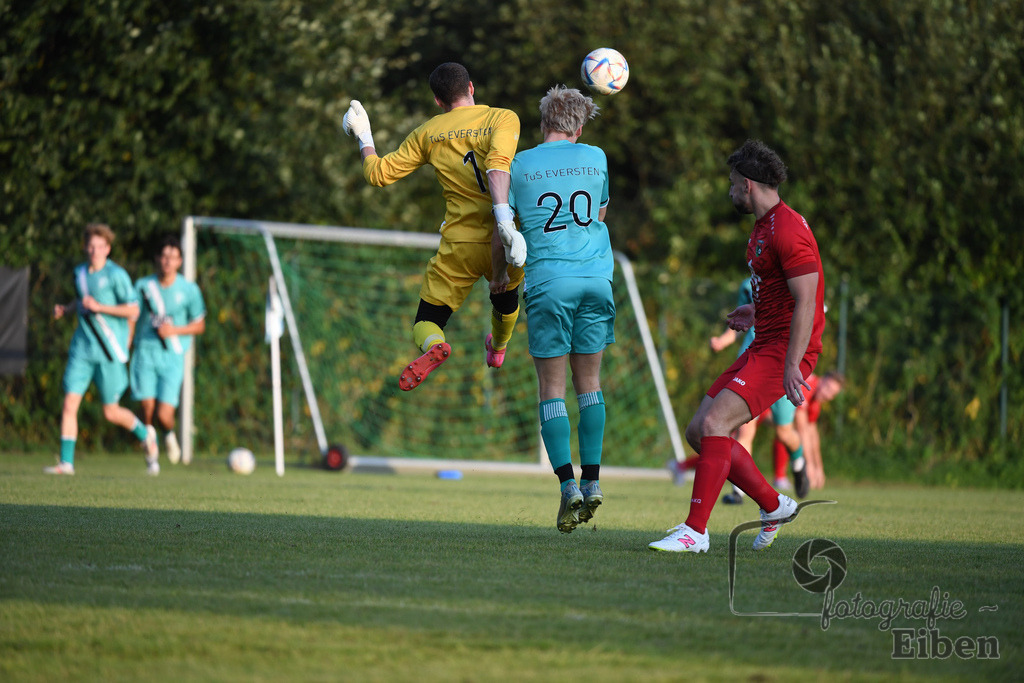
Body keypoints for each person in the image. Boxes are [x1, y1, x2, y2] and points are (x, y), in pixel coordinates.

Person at [649, 139, 825, 553]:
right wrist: (754, 311)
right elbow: (782, 294)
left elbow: (807, 300)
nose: (728, 191)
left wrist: (791, 366)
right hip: (765, 340)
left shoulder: (789, 229)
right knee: (699, 431)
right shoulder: (764, 226)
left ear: (747, 184)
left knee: (716, 426)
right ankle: (773, 504)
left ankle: (695, 531)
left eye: (731, 183)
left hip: (784, 350)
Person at [342, 62, 526, 391]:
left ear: (438, 102)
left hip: (460, 244)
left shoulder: (428, 132)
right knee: (505, 296)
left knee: (427, 320)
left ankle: (433, 347)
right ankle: (497, 349)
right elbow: (499, 165)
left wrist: (363, 135)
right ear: (471, 88)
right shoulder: (503, 118)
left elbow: (377, 174)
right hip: (505, 234)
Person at [492, 85, 613, 534]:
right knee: (591, 385)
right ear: (578, 128)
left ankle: (568, 487)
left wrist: (499, 278)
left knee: (552, 389)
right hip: (597, 280)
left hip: (548, 282)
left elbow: (502, 231)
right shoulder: (597, 156)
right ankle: (594, 480)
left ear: (543, 123)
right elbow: (599, 215)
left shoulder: (518, 164)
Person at [668, 279, 810, 502]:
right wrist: (722, 341)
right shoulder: (749, 284)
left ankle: (798, 463)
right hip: (752, 361)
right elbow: (742, 322)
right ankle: (739, 492)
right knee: (742, 430)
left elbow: (808, 315)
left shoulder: (796, 278)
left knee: (784, 432)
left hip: (782, 363)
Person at [47, 223, 159, 475]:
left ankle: (146, 436)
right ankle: (66, 464)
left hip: (109, 350)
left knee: (110, 412)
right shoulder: (80, 273)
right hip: (82, 348)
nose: (94, 250)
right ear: (85, 247)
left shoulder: (117, 275)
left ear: (107, 249)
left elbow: (133, 309)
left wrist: (101, 308)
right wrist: (66, 309)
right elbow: (82, 299)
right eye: (90, 246)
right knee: (69, 403)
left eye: (100, 246)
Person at [129, 234, 207, 466]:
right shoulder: (144, 286)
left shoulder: (189, 290)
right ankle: (151, 452)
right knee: (146, 406)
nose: (167, 262)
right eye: (164, 256)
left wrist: (174, 331)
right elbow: (132, 314)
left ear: (180, 261)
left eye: (173, 257)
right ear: (157, 259)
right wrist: (128, 338)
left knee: (164, 415)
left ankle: (168, 435)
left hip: (172, 355)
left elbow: (200, 325)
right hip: (145, 351)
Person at [793, 371, 844, 489]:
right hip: (764, 405)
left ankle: (780, 477)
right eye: (828, 389)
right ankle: (781, 477)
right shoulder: (808, 386)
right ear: (822, 380)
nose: (828, 395)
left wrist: (819, 468)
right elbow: (802, 429)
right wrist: (809, 466)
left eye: (832, 394)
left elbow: (812, 433)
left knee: (788, 431)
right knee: (789, 432)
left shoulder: (815, 403)